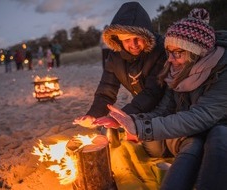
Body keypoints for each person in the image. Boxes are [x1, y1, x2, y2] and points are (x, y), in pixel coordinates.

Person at [97, 8, 227, 190]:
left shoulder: (221, 71)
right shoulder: (176, 73)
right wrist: (132, 121)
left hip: (218, 129)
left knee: (219, 135)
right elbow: (164, 109)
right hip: (195, 132)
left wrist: (142, 128)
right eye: (168, 52)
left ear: (195, 52)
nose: (170, 59)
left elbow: (201, 115)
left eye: (177, 53)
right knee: (192, 144)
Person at [73, 2, 167, 135]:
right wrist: (93, 115)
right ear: (119, 39)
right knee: (107, 131)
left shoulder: (160, 51)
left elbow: (152, 92)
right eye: (127, 40)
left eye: (137, 38)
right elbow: (106, 91)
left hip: (165, 109)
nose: (133, 44)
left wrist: (122, 117)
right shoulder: (115, 57)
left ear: (147, 35)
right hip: (140, 107)